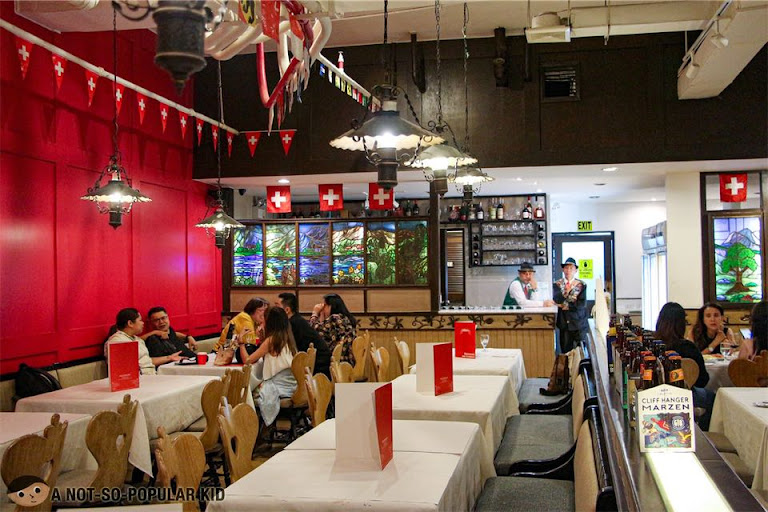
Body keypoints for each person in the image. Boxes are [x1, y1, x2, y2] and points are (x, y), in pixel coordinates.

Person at [655, 302, 714, 430]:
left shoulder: (651, 345)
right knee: (712, 397)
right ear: (682, 324)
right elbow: (703, 380)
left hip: (655, 396)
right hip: (686, 396)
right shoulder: (688, 347)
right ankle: (705, 432)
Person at [240, 306, 297, 426]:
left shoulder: (271, 340)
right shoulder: (287, 337)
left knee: (245, 391)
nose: (262, 321)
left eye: (264, 318)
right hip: (292, 384)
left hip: (278, 385)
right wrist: (262, 338)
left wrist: (241, 344)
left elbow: (248, 360)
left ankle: (249, 426)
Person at [277, 292, 331, 378]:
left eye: (277, 306)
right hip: (320, 363)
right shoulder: (296, 320)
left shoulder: (293, 324)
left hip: (319, 367)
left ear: (287, 310)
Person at [104, 308, 156, 375]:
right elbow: (124, 369)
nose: (143, 323)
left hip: (152, 375)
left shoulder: (138, 339)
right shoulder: (117, 341)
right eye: (140, 320)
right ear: (130, 323)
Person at [310, 293, 357, 366]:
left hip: (336, 362)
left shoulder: (335, 318)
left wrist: (315, 313)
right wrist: (322, 316)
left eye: (325, 305)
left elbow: (313, 332)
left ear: (331, 306)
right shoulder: (344, 318)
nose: (322, 308)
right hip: (347, 361)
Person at [552, 257, 588, 353]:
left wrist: (564, 306)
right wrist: (567, 293)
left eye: (571, 268)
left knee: (581, 352)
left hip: (578, 323)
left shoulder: (581, 285)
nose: (568, 271)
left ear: (575, 270)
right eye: (566, 268)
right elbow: (557, 299)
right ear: (563, 270)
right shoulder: (557, 284)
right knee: (565, 352)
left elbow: (581, 304)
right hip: (564, 323)